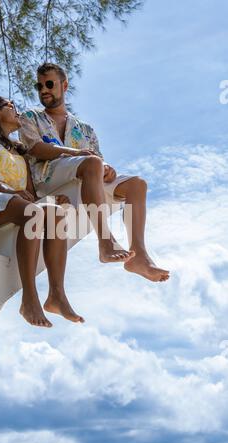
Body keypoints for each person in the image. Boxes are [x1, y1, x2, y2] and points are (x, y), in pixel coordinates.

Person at [19, 63, 170, 282]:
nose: (44, 90)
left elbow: (96, 159)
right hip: (49, 178)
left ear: (64, 85)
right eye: (39, 85)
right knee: (90, 164)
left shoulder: (85, 129)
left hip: (85, 177)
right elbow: (35, 148)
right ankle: (105, 242)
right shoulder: (30, 117)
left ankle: (139, 256)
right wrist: (78, 154)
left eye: (49, 84)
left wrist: (106, 168)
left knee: (137, 184)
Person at [0, 96, 85, 328]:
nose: (17, 111)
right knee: (33, 213)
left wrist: (52, 199)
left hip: (12, 201)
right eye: (11, 106)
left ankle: (57, 294)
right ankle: (29, 298)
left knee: (55, 213)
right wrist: (9, 191)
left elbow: (31, 197)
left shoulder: (20, 153)